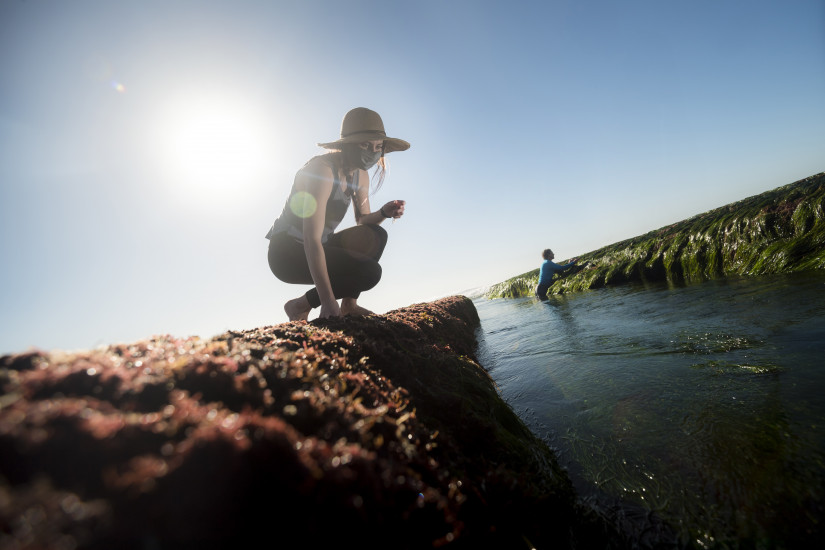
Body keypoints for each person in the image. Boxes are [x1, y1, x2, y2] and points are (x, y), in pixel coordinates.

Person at [265, 107, 410, 321]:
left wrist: (383, 212)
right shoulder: (320, 171)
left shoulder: (360, 175)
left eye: (378, 147)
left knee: (377, 234)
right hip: (287, 252)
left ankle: (349, 306)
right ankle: (299, 306)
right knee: (370, 273)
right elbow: (311, 239)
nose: (372, 151)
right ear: (347, 145)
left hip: (319, 244)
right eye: (365, 144)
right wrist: (327, 301)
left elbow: (363, 220)